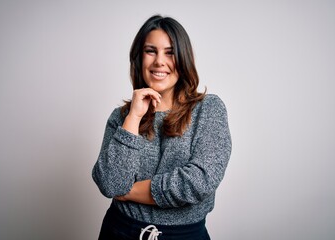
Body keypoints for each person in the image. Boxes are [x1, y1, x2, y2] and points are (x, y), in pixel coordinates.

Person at [92, 14, 232, 240]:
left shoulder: (208, 109)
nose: (159, 61)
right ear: (139, 58)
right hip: (118, 231)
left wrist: (129, 192)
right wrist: (134, 117)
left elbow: (199, 181)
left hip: (183, 235)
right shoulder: (121, 117)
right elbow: (110, 184)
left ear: (183, 58)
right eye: (151, 51)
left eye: (170, 52)